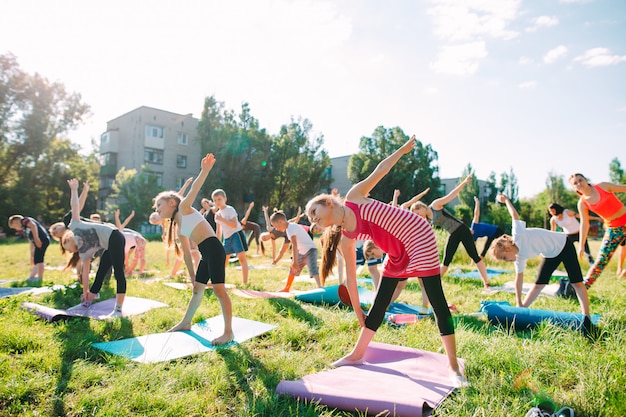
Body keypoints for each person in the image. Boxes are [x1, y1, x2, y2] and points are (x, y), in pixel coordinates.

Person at [306, 135, 468, 388]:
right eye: (311, 219)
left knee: (436, 300)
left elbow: (380, 169)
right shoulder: (346, 239)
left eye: (314, 213)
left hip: (418, 235)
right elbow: (350, 277)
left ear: (328, 203)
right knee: (380, 302)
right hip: (396, 252)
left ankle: (453, 365)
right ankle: (357, 354)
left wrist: (401, 151)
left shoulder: (354, 196)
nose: (314, 220)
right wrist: (359, 310)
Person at [153, 153, 233, 344]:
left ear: (172, 203)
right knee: (198, 289)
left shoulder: (184, 208)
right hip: (206, 254)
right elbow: (187, 254)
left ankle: (228, 332)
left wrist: (204, 171)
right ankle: (186, 322)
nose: (157, 210)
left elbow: (195, 189)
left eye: (159, 206)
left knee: (219, 291)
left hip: (214, 249)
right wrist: (191, 276)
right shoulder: (179, 227)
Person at [491, 194, 591, 320]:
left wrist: (506, 200)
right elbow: (519, 279)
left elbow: (514, 215)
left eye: (504, 258)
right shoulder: (519, 257)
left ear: (508, 248)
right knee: (538, 284)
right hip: (550, 254)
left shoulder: (518, 235)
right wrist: (519, 303)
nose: (506, 261)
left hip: (565, 245)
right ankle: (523, 309)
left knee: (577, 282)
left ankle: (586, 316)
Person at [61, 179, 127, 318]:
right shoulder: (84, 251)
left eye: (69, 248)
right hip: (109, 242)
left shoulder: (75, 225)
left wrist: (74, 190)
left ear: (69, 239)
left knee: (118, 273)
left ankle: (118, 310)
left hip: (115, 237)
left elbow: (75, 206)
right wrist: (85, 291)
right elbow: (85, 273)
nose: (71, 252)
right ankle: (87, 301)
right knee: (101, 273)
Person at [411, 175, 491, 289]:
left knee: (474, 256)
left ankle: (486, 282)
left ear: (421, 207)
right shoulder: (427, 220)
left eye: (418, 213)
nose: (418, 216)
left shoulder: (435, 205)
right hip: (453, 233)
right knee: (446, 260)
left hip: (462, 230)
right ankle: (434, 284)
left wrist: (464, 182)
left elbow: (451, 195)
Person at [568, 173, 626, 286]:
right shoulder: (582, 203)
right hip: (614, 229)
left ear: (586, 180)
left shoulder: (603, 186)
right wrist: (581, 245)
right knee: (601, 261)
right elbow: (584, 224)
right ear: (573, 187)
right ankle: (582, 289)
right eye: (575, 183)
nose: (579, 183)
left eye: (580, 180)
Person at [270, 210, 321, 291]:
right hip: (302, 252)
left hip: (310, 250)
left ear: (280, 221)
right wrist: (294, 261)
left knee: (313, 269)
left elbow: (294, 245)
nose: (276, 229)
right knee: (292, 269)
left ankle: (320, 287)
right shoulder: (289, 228)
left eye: (276, 226)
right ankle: (287, 288)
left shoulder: (291, 228)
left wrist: (295, 261)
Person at [212, 188, 249, 285]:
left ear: (225, 199)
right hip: (227, 238)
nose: (217, 202)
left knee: (241, 258)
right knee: (223, 260)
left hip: (236, 234)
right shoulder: (217, 215)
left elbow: (234, 224)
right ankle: (219, 281)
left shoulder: (230, 209)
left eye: (219, 199)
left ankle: (245, 283)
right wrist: (217, 243)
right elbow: (218, 231)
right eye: (215, 200)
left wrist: (221, 219)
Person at [8, 214, 50, 281]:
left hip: (42, 240)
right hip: (38, 242)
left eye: (14, 227)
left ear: (15, 222)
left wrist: (37, 239)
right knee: (36, 259)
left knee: (39, 260)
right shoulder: (25, 228)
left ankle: (40, 278)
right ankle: (31, 277)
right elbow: (31, 241)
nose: (16, 229)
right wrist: (31, 256)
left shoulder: (24, 220)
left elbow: (33, 226)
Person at [114, 209, 147, 275]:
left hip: (139, 240)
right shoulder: (124, 246)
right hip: (140, 240)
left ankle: (133, 272)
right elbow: (126, 259)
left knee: (137, 257)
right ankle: (135, 271)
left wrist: (116, 216)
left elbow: (124, 222)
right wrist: (127, 267)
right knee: (139, 257)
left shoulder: (119, 233)